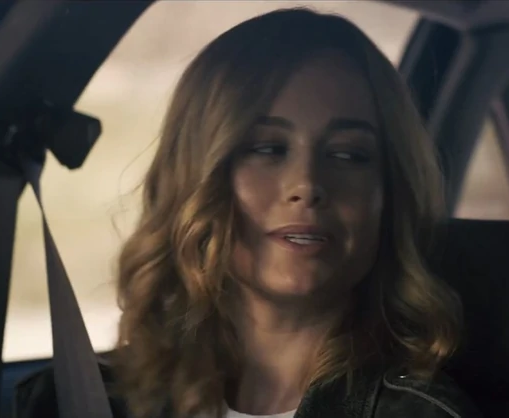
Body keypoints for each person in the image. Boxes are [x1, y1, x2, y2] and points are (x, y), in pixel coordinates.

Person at [110, 7, 480, 418]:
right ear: (196, 174)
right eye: (267, 148)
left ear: (389, 193)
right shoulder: (90, 396)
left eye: (347, 154)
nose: (307, 184)